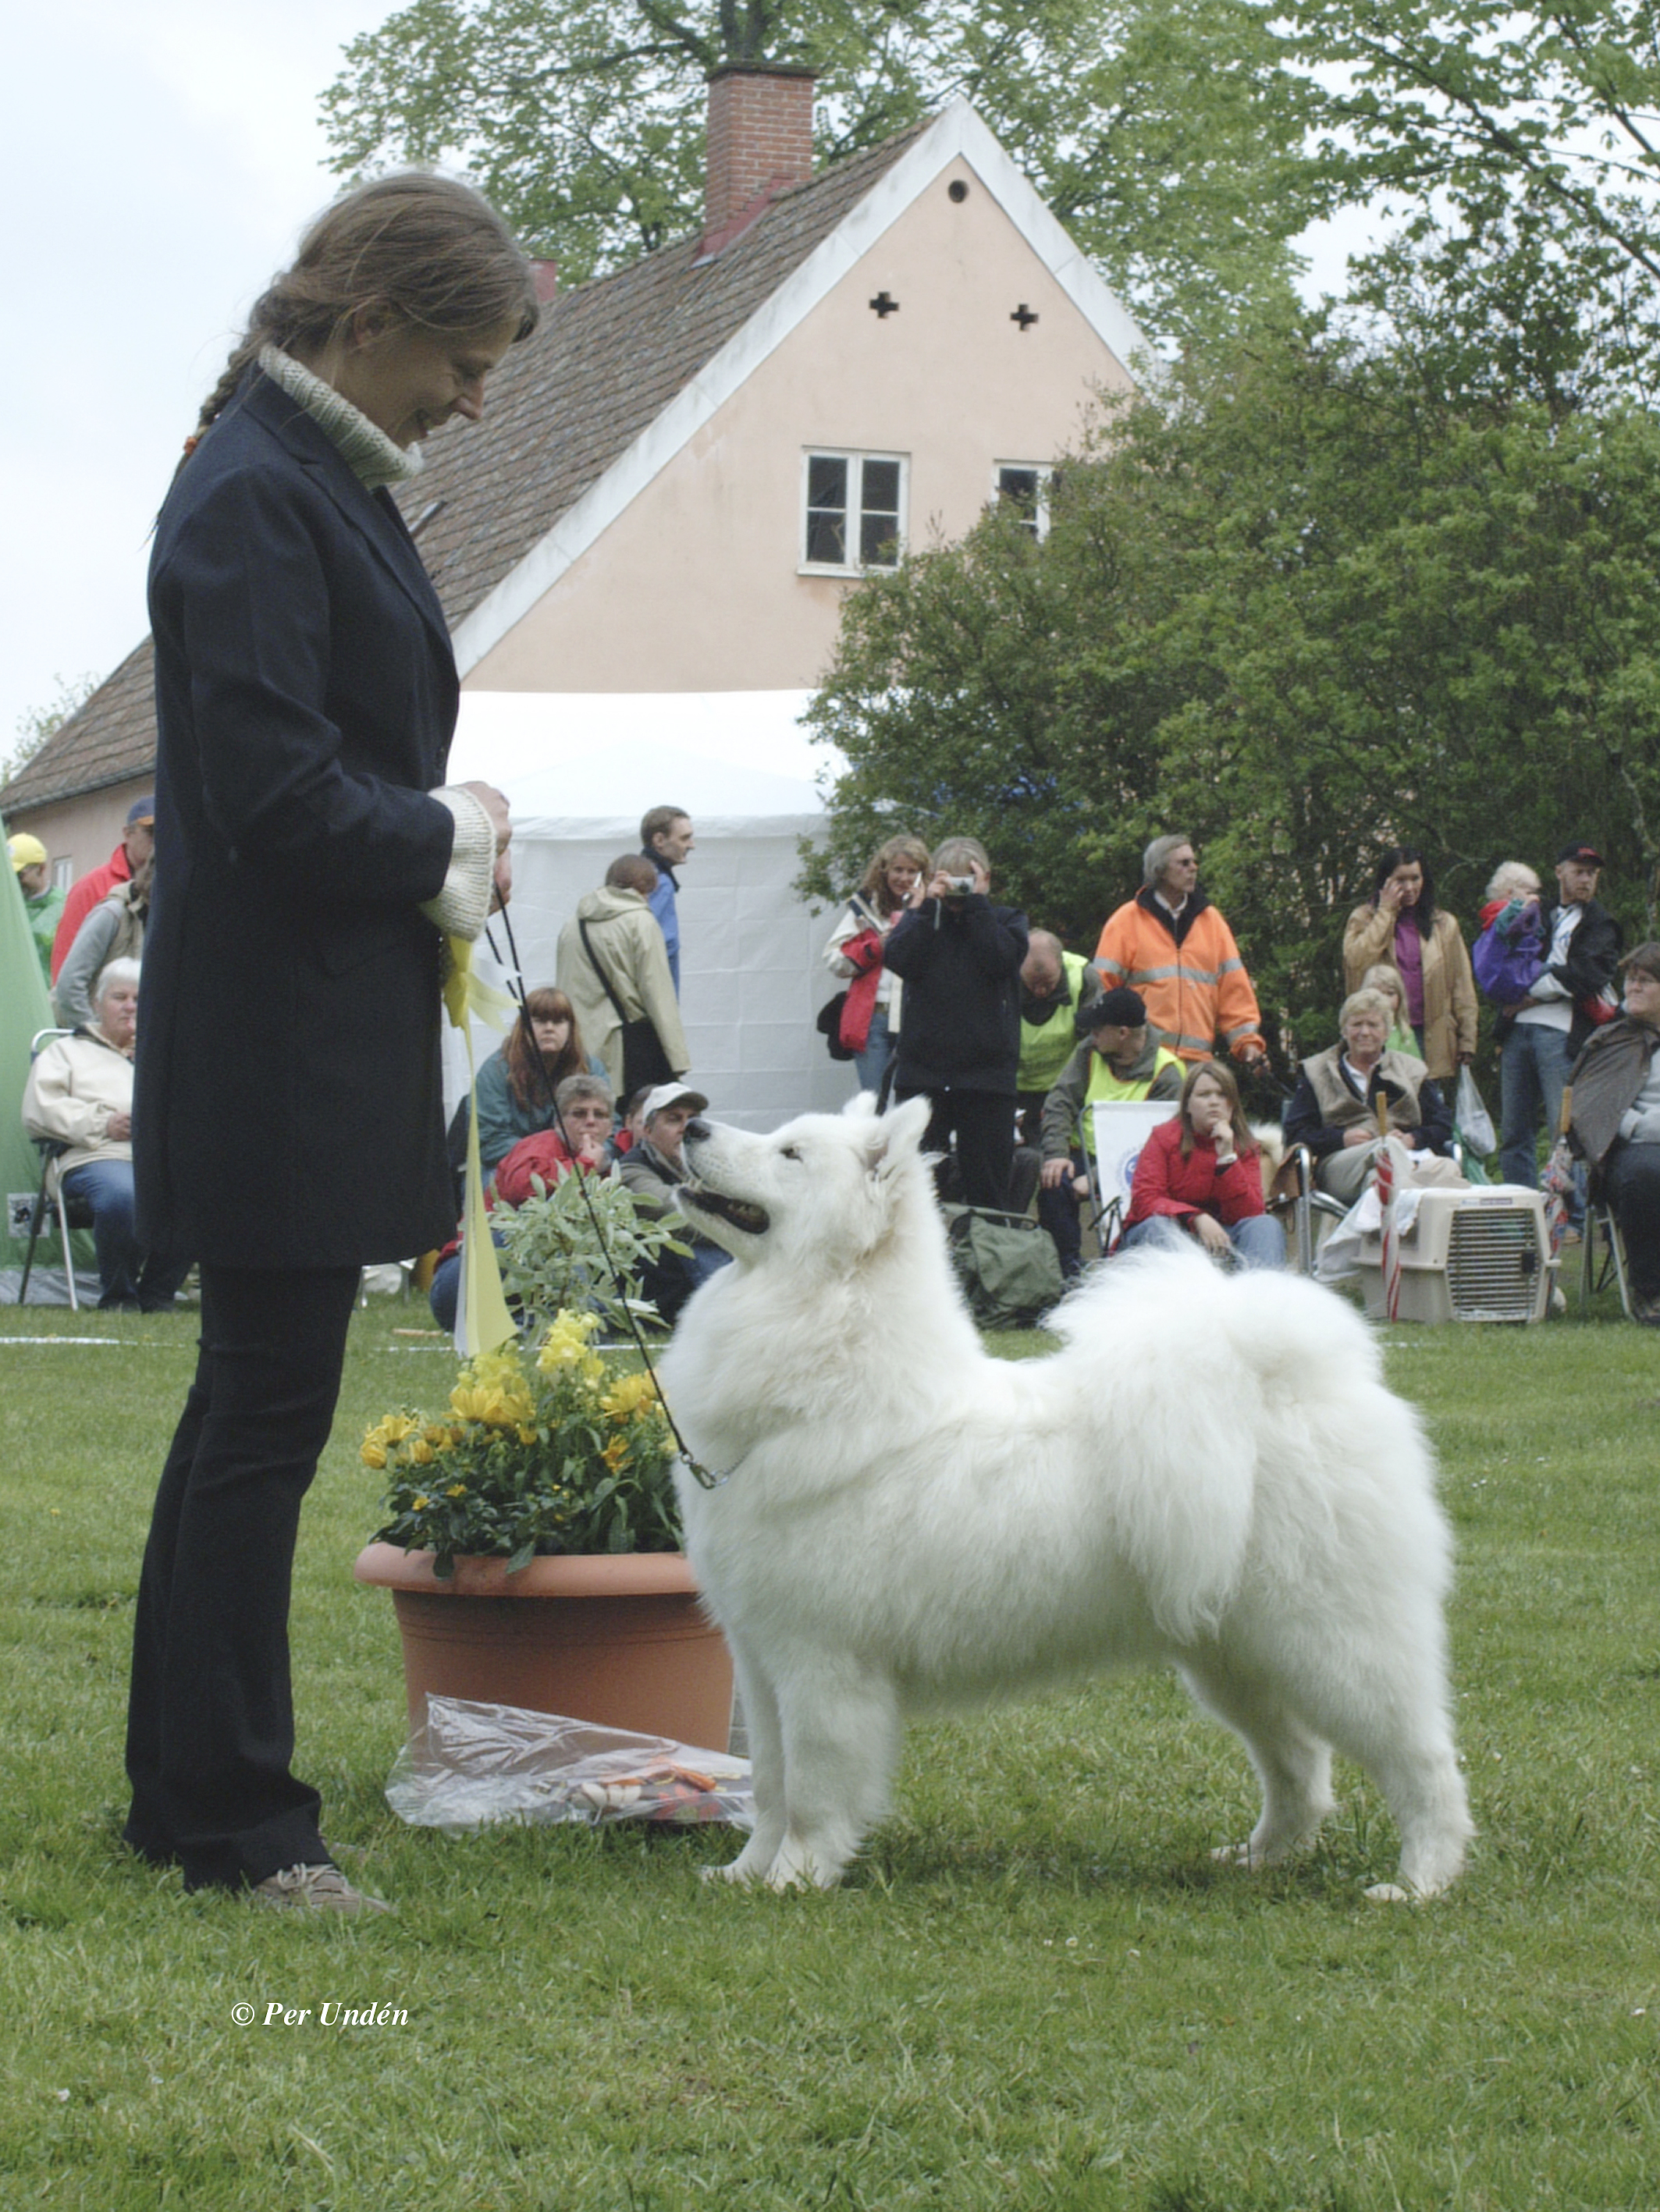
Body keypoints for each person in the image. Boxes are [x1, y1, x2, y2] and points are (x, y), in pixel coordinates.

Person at [125, 172, 537, 1915]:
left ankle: (189, 1792)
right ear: (366, 325)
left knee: (249, 1416)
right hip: (271, 1047)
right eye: (457, 359)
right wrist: (444, 832)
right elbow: (281, 798)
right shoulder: (254, 499)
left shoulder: (303, 481)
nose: (471, 397)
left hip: (299, 1036)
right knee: (262, 1421)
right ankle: (237, 1823)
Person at [21, 961, 192, 1312]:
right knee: (123, 1195)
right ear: (97, 1004)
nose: (130, 1006)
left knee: (199, 1192)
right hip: (92, 1156)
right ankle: (119, 1297)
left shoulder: (162, 1055)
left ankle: (158, 1295)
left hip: (156, 1157)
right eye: (120, 997)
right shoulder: (66, 1052)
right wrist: (103, 1123)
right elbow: (40, 1110)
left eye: (139, 999)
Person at [882, 835, 1029, 1211]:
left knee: (988, 1191)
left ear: (986, 879)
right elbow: (898, 958)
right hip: (924, 1075)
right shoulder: (924, 922)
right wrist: (928, 905)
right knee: (915, 1193)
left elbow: (1000, 960)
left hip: (987, 1079)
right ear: (935, 878)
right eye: (953, 882)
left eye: (968, 881)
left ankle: (985, 1261)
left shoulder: (1007, 921)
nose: (958, 893)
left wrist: (978, 905)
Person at [1495, 840, 1622, 1218]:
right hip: (1517, 1032)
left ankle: (1573, 1216)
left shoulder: (1602, 924)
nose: (1586, 880)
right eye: (1579, 871)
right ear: (1559, 872)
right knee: (1514, 1132)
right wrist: (1523, 990)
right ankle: (1519, 1215)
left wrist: (1530, 991)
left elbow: (1589, 976)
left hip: (1563, 1034)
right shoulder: (1537, 910)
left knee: (1564, 1131)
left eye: (1592, 874)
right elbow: (1499, 957)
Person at [1035, 986, 1184, 1276]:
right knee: (1054, 1183)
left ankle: (1129, 1272)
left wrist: (1098, 1177)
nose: (1091, 1034)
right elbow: (1060, 1101)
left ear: (1123, 1033)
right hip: (1079, 1155)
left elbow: (1158, 1147)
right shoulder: (1089, 1052)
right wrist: (1056, 1154)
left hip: (1136, 1166)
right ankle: (1067, 1273)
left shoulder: (1167, 1073)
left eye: (1098, 1029)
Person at [1093, 834, 1266, 1067]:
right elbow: (1101, 990)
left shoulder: (1212, 922)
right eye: (1184, 863)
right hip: (1142, 1062)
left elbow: (1234, 991)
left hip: (1197, 1064)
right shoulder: (1126, 921)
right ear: (1160, 871)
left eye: (1193, 862)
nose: (1193, 868)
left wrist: (1248, 1045)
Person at [1283, 987, 1457, 1205]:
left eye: (1373, 1025)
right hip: (1341, 1165)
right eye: (1356, 1024)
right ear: (1344, 1031)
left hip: (1406, 1160)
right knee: (1388, 1149)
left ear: (1386, 1033)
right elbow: (1295, 1133)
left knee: (1443, 1170)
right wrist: (1341, 1139)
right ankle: (1409, 1215)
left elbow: (1443, 1125)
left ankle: (1388, 1235)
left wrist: (1412, 1139)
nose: (1364, 1032)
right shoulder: (1318, 1072)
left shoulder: (1412, 1070)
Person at [1567, 943, 1660, 1323]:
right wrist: (1640, 1126)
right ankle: (1652, 1292)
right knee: (1646, 1175)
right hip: (1628, 1148)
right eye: (1630, 980)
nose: (1633, 988)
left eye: (1645, 981)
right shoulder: (1611, 1040)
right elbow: (1589, 1109)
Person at [1119, 1059, 1284, 1269]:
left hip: (1223, 1235)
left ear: (1231, 1105)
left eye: (1222, 1095)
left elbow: (1249, 1212)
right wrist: (1196, 1218)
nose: (1214, 1102)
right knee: (1158, 1226)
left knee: (1265, 1225)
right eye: (1204, 1095)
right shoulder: (1163, 1138)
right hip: (1167, 1231)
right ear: (1187, 1104)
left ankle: (1263, 1296)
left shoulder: (1246, 1146)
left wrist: (1227, 1158)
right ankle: (1191, 1295)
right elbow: (1145, 1200)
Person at [557, 855, 690, 1098]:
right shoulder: (641, 922)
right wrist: (677, 1060)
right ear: (645, 889)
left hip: (580, 1049)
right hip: (630, 1051)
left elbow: (565, 986)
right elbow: (658, 993)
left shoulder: (572, 924)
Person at [1342, 847, 1477, 1083]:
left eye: (1415, 878)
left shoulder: (1444, 924)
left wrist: (1467, 1038)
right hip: (1380, 1033)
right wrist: (1385, 911)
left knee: (1428, 1108)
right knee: (1386, 1106)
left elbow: (1461, 984)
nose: (1409, 887)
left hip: (1431, 1034)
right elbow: (1356, 959)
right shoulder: (1363, 918)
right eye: (1400, 880)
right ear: (1386, 882)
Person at [613, 1081, 731, 1321]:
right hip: (657, 1291)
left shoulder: (704, 1167)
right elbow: (675, 1211)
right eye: (674, 1119)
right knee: (693, 1232)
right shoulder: (629, 1170)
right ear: (647, 1131)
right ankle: (727, 1313)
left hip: (688, 1284)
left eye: (692, 1118)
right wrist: (732, 1219)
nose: (685, 1127)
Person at [822, 834, 930, 1096]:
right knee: (875, 1102)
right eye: (897, 870)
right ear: (884, 871)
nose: (903, 878)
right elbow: (833, 960)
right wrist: (876, 948)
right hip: (874, 1019)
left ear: (922, 875)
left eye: (911, 871)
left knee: (913, 1104)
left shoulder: (931, 910)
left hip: (917, 1017)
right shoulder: (864, 909)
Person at [472, 986, 605, 1181]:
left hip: (578, 1162)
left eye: (558, 1021)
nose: (549, 1028)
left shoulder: (590, 1069)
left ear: (571, 1027)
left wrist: (592, 1153)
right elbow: (490, 1141)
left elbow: (610, 1128)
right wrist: (547, 1159)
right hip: (511, 1167)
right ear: (524, 1027)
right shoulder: (495, 1071)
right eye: (540, 1021)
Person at [50, 797, 155, 982]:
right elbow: (65, 968)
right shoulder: (91, 887)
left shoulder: (173, 886)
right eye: (150, 832)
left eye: (167, 830)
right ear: (127, 834)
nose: (158, 840)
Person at [1015, 929, 1102, 1144]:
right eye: (1033, 983)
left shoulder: (1084, 978)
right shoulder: (1001, 977)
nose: (1041, 991)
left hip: (1063, 1088)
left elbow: (1093, 1044)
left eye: (1048, 982)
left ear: (1061, 963)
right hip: (1012, 1088)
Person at [53, 851, 152, 1032]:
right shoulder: (112, 913)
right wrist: (96, 1035)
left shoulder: (166, 921)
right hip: (92, 1037)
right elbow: (69, 985)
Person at [492, 1073, 616, 1206]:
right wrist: (584, 1164)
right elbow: (519, 1190)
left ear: (610, 1127)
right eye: (579, 1114)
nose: (591, 1121)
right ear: (558, 1122)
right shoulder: (537, 1147)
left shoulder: (605, 1161)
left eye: (599, 1114)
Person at [641, 805, 694, 994]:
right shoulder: (660, 883)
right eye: (685, 838)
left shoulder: (638, 876)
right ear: (659, 840)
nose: (692, 845)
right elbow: (655, 945)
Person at [10, 833, 65, 985]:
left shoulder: (62, 906)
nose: (15, 882)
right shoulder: (7, 906)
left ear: (41, 869)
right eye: (9, 876)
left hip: (46, 999)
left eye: (20, 875)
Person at [1358, 963, 1424, 1062]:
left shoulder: (1405, 1033)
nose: (1385, 1000)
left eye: (1390, 993)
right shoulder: (1360, 1031)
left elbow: (1417, 1069)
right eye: (1378, 993)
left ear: (1400, 997)